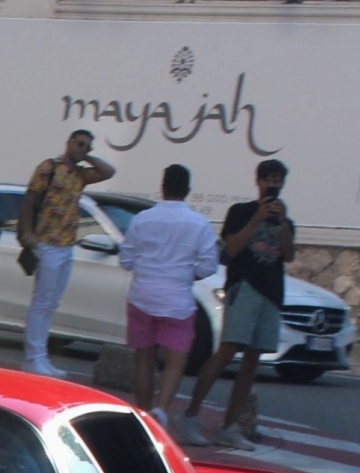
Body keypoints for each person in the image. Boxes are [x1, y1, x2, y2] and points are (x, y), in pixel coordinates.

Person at [180, 158, 295, 450]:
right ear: (258, 182)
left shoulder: (286, 219)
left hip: (271, 292)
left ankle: (230, 427)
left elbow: (290, 255)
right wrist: (257, 218)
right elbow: (231, 248)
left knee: (252, 362)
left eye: (277, 180)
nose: (272, 184)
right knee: (226, 352)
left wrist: (281, 223)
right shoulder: (241, 211)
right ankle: (191, 414)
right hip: (244, 288)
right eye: (268, 179)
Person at [114, 165, 221, 423]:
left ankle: (143, 411)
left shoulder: (142, 219)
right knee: (175, 360)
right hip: (178, 300)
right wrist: (186, 274)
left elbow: (126, 259)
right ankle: (161, 409)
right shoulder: (199, 223)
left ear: (162, 187)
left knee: (144, 358)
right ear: (188, 190)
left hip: (142, 295)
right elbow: (209, 265)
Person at [17, 129, 115, 379]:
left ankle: (41, 357)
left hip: (66, 244)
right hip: (47, 242)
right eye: (79, 143)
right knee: (41, 301)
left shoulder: (81, 175)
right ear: (69, 142)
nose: (82, 148)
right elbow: (30, 199)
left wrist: (88, 157)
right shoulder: (49, 167)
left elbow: (109, 171)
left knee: (51, 303)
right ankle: (33, 357)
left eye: (87, 146)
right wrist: (27, 232)